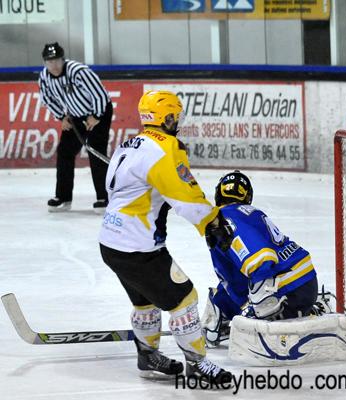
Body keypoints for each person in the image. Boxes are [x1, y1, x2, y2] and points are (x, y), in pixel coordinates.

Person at [98, 90, 232, 385]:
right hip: (138, 248)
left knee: (145, 302)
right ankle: (197, 364)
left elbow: (115, 187)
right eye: (177, 116)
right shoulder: (167, 147)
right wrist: (211, 222)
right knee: (185, 300)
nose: (179, 122)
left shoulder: (127, 146)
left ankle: (147, 356)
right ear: (168, 117)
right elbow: (184, 194)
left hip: (110, 243)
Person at [201, 170, 321, 346]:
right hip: (303, 281)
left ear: (218, 193)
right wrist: (223, 305)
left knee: (257, 306)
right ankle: (227, 310)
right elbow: (236, 276)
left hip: (285, 293)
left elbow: (260, 256)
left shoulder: (224, 218)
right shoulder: (250, 212)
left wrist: (262, 301)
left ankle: (277, 308)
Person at [38, 42, 112, 213]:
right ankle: (63, 197)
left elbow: (99, 94)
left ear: (63, 60)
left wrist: (96, 116)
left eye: (57, 61)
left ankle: (105, 197)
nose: (53, 66)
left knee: (95, 152)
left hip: (98, 111)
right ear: (44, 63)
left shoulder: (78, 71)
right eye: (49, 62)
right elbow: (47, 99)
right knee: (65, 151)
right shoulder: (44, 77)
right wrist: (61, 117)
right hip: (74, 116)